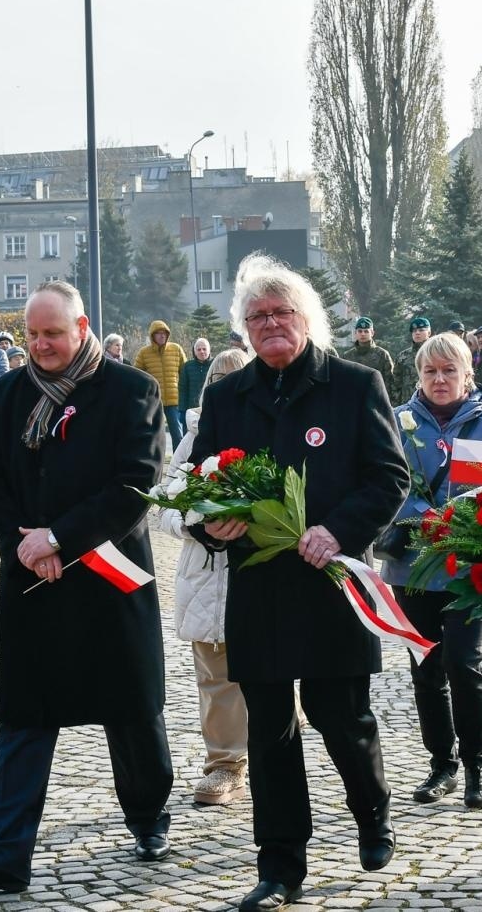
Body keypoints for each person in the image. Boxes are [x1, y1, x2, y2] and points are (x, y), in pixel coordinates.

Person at [188, 255, 410, 912]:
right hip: (258, 589)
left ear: (305, 319)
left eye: (282, 312)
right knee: (271, 729)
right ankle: (281, 864)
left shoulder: (354, 383)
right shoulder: (227, 396)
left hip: (331, 581)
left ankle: (372, 811)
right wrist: (212, 527)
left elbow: (389, 479)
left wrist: (338, 530)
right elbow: (201, 485)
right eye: (257, 317)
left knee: (340, 716)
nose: (270, 324)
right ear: (244, 330)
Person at [0, 281, 174, 895]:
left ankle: (148, 816)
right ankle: (3, 858)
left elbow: (136, 485)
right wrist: (25, 544)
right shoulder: (13, 390)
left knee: (130, 711)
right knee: (22, 717)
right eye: (33, 334)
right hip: (30, 579)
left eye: (53, 333)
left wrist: (60, 539)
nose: (41, 345)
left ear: (83, 326)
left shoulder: (132, 390)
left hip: (108, 575)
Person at [381, 332, 482, 811]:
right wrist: (421, 515)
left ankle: (476, 764)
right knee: (426, 667)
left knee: (463, 664)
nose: (440, 379)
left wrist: (465, 520)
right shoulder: (398, 421)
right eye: (430, 371)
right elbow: (385, 479)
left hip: (471, 564)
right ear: (419, 377)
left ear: (467, 373)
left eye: (449, 370)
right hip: (414, 562)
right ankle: (441, 765)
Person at [161, 346, 253, 807]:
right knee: (216, 676)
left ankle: (273, 746)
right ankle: (224, 764)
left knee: (269, 672)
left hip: (260, 571)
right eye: (220, 379)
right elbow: (165, 501)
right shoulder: (196, 432)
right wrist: (195, 525)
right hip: (207, 574)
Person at [134, 319, 188, 446]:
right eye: (158, 333)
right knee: (153, 435)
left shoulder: (176, 349)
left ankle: (178, 463)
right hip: (153, 400)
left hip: (174, 400)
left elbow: (185, 373)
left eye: (164, 332)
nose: (162, 335)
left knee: (178, 435)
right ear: (152, 335)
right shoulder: (143, 353)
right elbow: (137, 375)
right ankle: (155, 462)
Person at [340, 317, 395, 398]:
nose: (363, 334)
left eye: (366, 331)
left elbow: (390, 382)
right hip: (353, 400)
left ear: (372, 333)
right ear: (355, 333)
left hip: (376, 399)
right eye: (360, 331)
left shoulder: (382, 354)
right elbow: (343, 382)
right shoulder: (347, 356)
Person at [394, 317, 432, 403]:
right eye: (414, 331)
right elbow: (396, 385)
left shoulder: (436, 354)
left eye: (421, 330)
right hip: (408, 404)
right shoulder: (403, 356)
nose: (417, 333)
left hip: (431, 404)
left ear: (429, 332)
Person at [179, 337, 213, 417]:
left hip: (211, 407)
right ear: (195, 351)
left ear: (209, 350)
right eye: (199, 349)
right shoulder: (187, 366)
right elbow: (183, 389)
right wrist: (182, 410)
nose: (202, 351)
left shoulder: (215, 364)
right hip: (192, 409)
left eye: (204, 349)